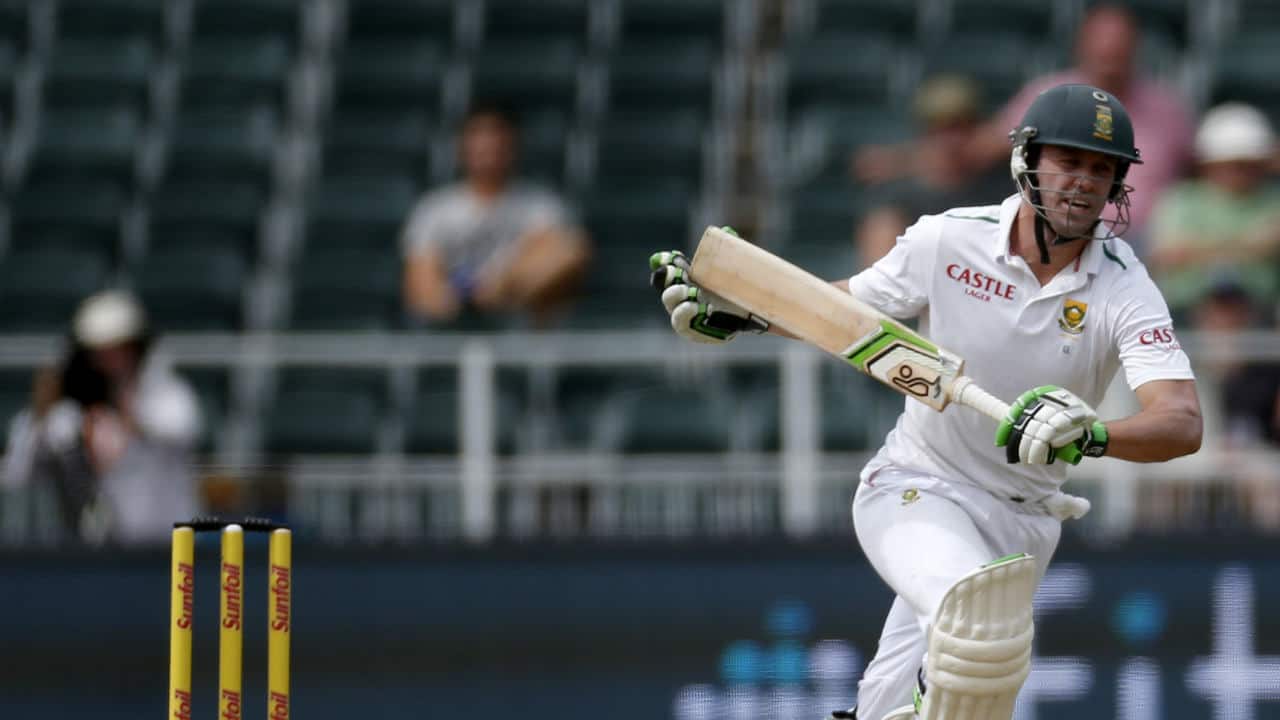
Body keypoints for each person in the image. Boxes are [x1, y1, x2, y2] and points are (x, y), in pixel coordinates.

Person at [651, 84, 1202, 720]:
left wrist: (1092, 434)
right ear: (1028, 160)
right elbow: (848, 311)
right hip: (918, 485)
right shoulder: (947, 240)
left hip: (1024, 523)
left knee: (908, 699)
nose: (1084, 183)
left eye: (1102, 169)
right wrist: (743, 313)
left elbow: (1182, 421)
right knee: (975, 630)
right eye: (1069, 162)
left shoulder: (1124, 285)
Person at [858, 4, 1194, 244]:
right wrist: (901, 161)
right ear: (1083, 46)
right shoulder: (1051, 97)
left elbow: (1196, 171)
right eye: (1103, 47)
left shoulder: (1168, 108)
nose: (1111, 56)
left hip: (1151, 241)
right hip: (1063, 231)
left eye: (1118, 48)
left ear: (1134, 47)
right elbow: (979, 149)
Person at [3, 291, 201, 545]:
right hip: (99, 559)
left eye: (119, 349)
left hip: (169, 550)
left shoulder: (169, 397)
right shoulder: (68, 417)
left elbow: (179, 428)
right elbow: (17, 472)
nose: (109, 361)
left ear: (138, 348)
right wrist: (42, 412)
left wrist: (127, 409)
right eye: (98, 352)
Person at [401, 103, 591, 328]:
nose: (488, 151)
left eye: (497, 141)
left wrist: (499, 285)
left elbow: (567, 254)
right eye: (480, 141)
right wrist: (458, 300)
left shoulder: (539, 204)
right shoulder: (435, 208)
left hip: (523, 323)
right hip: (450, 326)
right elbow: (420, 283)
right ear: (463, 147)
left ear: (513, 146)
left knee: (571, 249)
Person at [855, 75, 1010, 267]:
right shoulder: (896, 198)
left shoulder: (1006, 187)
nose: (951, 140)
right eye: (939, 129)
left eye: (961, 127)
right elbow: (878, 270)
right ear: (924, 132)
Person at [1146, 103, 1280, 323]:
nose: (1239, 172)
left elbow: (1180, 252)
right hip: (1187, 310)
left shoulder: (1273, 200)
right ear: (1208, 164)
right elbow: (1166, 255)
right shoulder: (1182, 200)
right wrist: (1251, 247)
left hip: (1261, 310)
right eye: (1231, 164)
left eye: (1247, 164)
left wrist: (1199, 250)